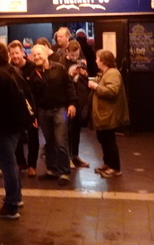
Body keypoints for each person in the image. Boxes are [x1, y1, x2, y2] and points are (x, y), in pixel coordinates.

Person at [0, 41, 30, 219]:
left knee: (7, 165)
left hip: (0, 127)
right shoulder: (14, 71)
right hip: (16, 125)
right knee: (12, 163)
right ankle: (16, 196)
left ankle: (11, 206)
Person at [28, 43, 76, 184]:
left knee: (61, 141)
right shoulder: (33, 74)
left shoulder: (60, 68)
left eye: (39, 54)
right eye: (34, 55)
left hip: (61, 111)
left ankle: (64, 172)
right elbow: (32, 97)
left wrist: (72, 104)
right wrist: (34, 116)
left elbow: (69, 87)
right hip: (43, 112)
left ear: (46, 54)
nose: (36, 57)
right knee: (49, 142)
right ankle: (52, 170)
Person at [87, 49, 129, 178]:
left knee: (109, 141)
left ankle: (115, 168)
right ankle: (107, 163)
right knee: (103, 139)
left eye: (97, 58)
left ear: (104, 61)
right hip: (104, 114)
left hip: (109, 114)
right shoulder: (105, 73)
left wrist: (95, 87)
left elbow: (112, 91)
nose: (95, 60)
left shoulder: (113, 74)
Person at [8, 40, 40, 178]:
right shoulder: (9, 69)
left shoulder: (33, 67)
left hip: (32, 108)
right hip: (16, 109)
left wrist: (35, 113)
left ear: (23, 53)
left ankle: (32, 165)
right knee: (17, 137)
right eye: (12, 54)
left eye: (17, 53)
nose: (15, 56)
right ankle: (21, 162)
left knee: (33, 136)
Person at [65, 40, 92, 169]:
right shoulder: (62, 63)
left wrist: (84, 74)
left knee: (76, 130)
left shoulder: (82, 61)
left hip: (80, 100)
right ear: (67, 52)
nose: (75, 58)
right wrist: (70, 75)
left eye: (76, 55)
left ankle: (75, 155)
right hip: (68, 102)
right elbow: (62, 82)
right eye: (72, 55)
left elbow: (85, 81)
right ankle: (68, 157)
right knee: (67, 130)